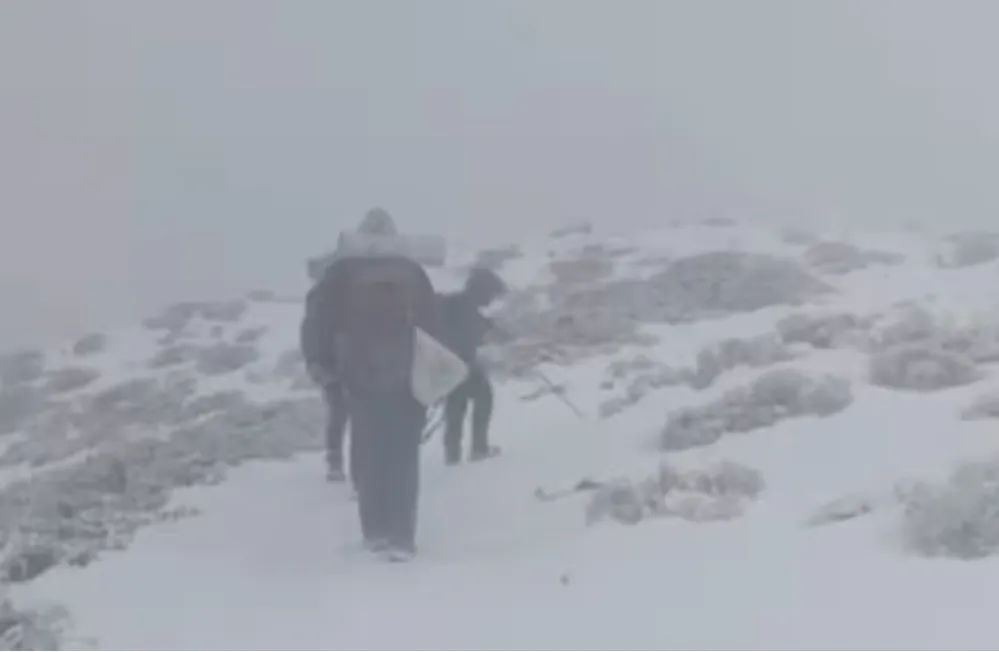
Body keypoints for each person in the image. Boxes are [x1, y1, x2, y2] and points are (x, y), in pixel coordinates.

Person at [300, 208, 438, 560]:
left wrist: (320, 363)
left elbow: (318, 318)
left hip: (360, 375)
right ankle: (402, 536)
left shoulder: (341, 272)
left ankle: (376, 533)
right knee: (404, 457)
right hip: (407, 376)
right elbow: (434, 325)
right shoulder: (411, 271)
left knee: (371, 450)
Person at [437, 266, 507, 465]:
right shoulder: (466, 308)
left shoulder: (458, 303)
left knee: (455, 406)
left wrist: (488, 325)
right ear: (482, 290)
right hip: (461, 364)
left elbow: (471, 327)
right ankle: (479, 448)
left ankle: (452, 454)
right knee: (484, 397)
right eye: (491, 294)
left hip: (447, 365)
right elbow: (467, 338)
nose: (491, 300)